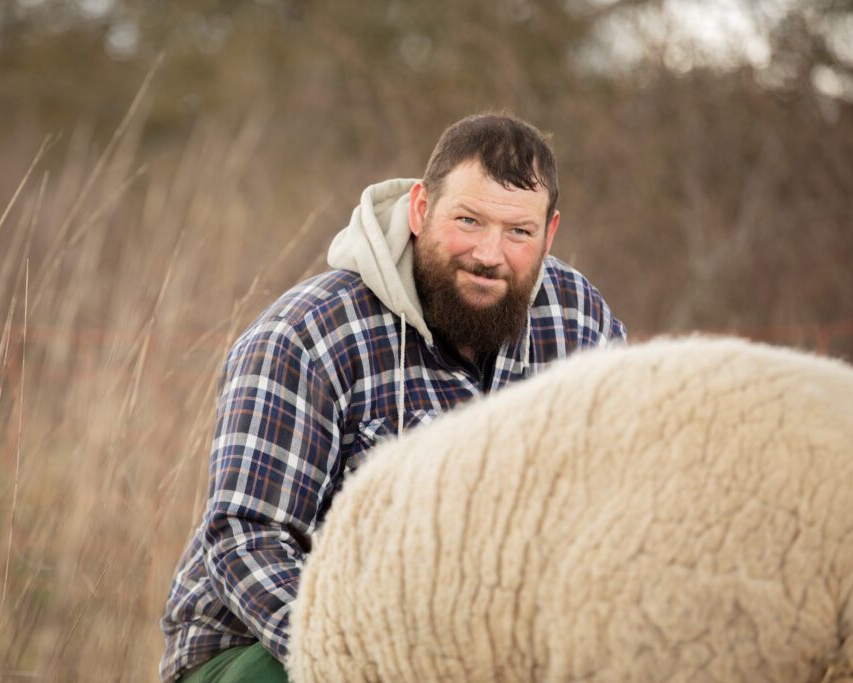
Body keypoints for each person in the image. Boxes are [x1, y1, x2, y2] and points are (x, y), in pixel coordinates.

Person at [159, 113, 626, 682]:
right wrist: (376, 662)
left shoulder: (579, 320)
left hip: (486, 646)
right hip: (267, 650)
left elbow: (621, 499)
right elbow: (246, 540)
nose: (489, 253)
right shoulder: (305, 338)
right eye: (469, 220)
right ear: (420, 210)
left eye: (518, 232)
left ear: (549, 235)